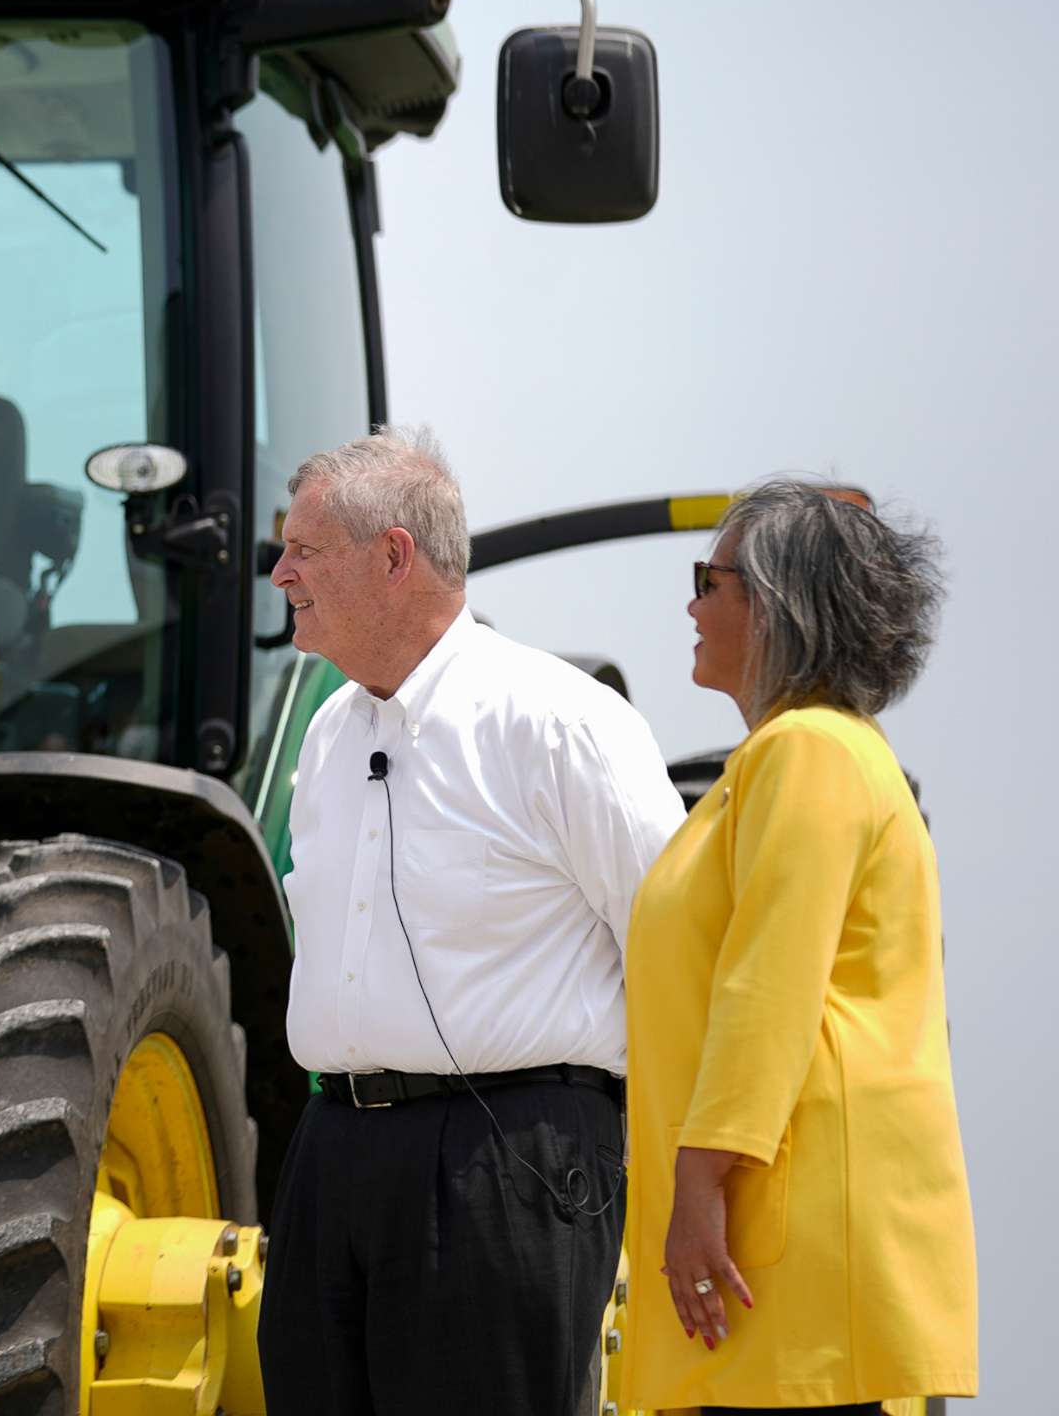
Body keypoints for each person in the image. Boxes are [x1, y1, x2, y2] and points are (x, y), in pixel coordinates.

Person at [255, 429, 690, 1416]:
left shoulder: (560, 722)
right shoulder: (329, 735)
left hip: (510, 1160)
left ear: (394, 557)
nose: (280, 573)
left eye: (304, 551)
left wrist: (687, 1190)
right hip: (334, 1155)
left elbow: (677, 952)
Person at [617, 481, 976, 1413]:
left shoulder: (807, 752)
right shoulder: (807, 755)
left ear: (776, 605)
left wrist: (696, 1194)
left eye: (712, 580)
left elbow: (766, 990)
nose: (692, 605)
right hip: (787, 1243)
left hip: (791, 1247)